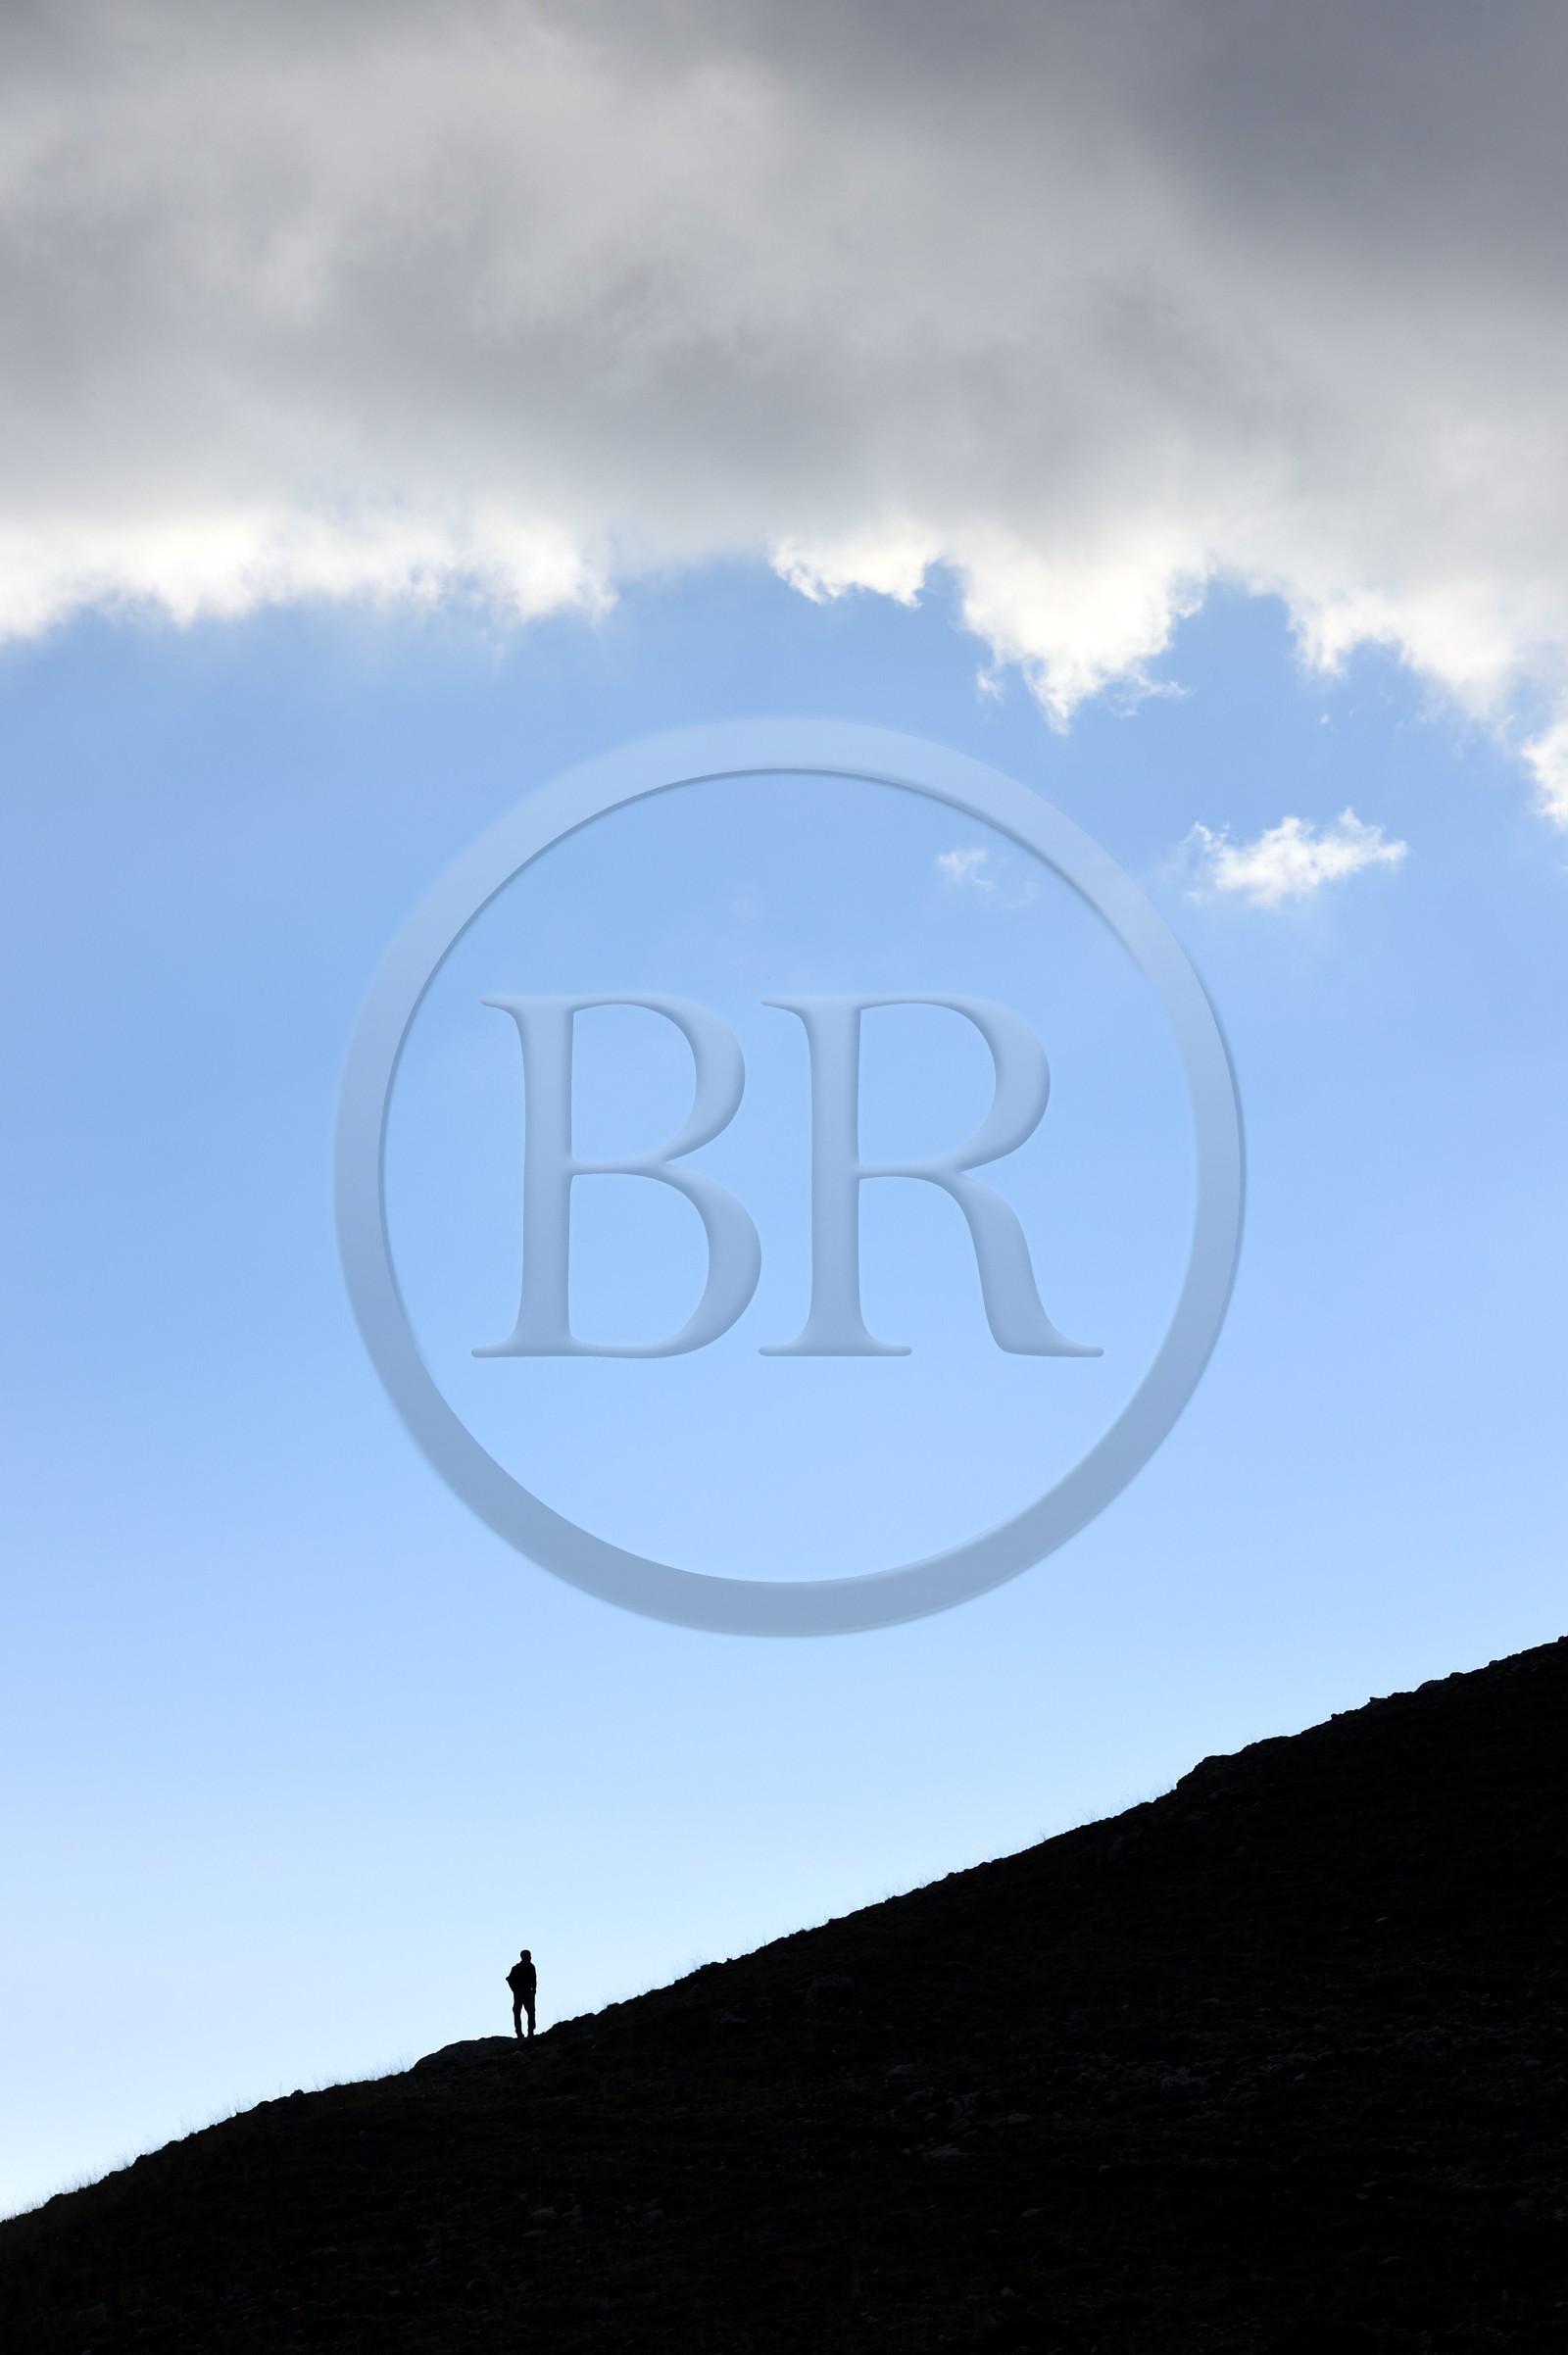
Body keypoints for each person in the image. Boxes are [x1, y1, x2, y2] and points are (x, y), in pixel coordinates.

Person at [506, 1947, 537, 2041]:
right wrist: (515, 1990)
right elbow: (509, 1979)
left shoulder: (530, 1967)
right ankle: (521, 2033)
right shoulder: (518, 1968)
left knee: (529, 2013)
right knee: (521, 2012)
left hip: (526, 1993)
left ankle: (529, 2032)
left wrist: (534, 1990)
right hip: (522, 1993)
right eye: (528, 1956)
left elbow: (534, 1979)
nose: (530, 1958)